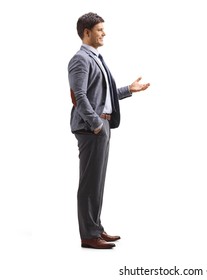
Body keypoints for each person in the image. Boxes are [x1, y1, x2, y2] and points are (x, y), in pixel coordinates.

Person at [68, 12, 150, 249]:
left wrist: (129, 89)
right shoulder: (80, 59)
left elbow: (101, 95)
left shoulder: (97, 58)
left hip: (102, 124)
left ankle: (96, 228)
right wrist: (95, 124)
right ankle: (88, 235)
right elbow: (80, 97)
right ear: (87, 32)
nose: (104, 33)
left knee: (97, 182)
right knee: (89, 183)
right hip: (90, 127)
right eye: (100, 29)